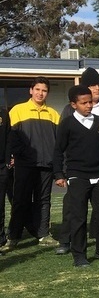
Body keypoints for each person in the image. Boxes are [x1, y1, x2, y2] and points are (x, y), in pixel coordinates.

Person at [53, 85, 99, 267]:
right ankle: (79, 255)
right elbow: (58, 151)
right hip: (77, 176)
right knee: (79, 217)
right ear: (73, 104)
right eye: (84, 103)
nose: (88, 105)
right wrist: (59, 174)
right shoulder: (66, 124)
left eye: (90, 101)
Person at [56, 67, 99, 254]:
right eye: (92, 85)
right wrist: (61, 172)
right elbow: (62, 145)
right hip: (77, 170)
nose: (97, 89)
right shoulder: (70, 112)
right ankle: (66, 241)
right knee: (73, 209)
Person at [6, 76, 60, 249]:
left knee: (43, 200)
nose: (40, 93)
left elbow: (58, 142)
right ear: (31, 90)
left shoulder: (53, 114)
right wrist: (23, 155)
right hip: (25, 164)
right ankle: (13, 236)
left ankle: (43, 234)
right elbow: (12, 138)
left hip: (46, 165)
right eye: (37, 89)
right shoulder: (18, 110)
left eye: (44, 90)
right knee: (20, 200)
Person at [0, 106, 13, 250]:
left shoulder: (3, 113)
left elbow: (9, 138)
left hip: (1, 167)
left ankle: (0, 239)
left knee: (0, 205)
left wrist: (7, 160)